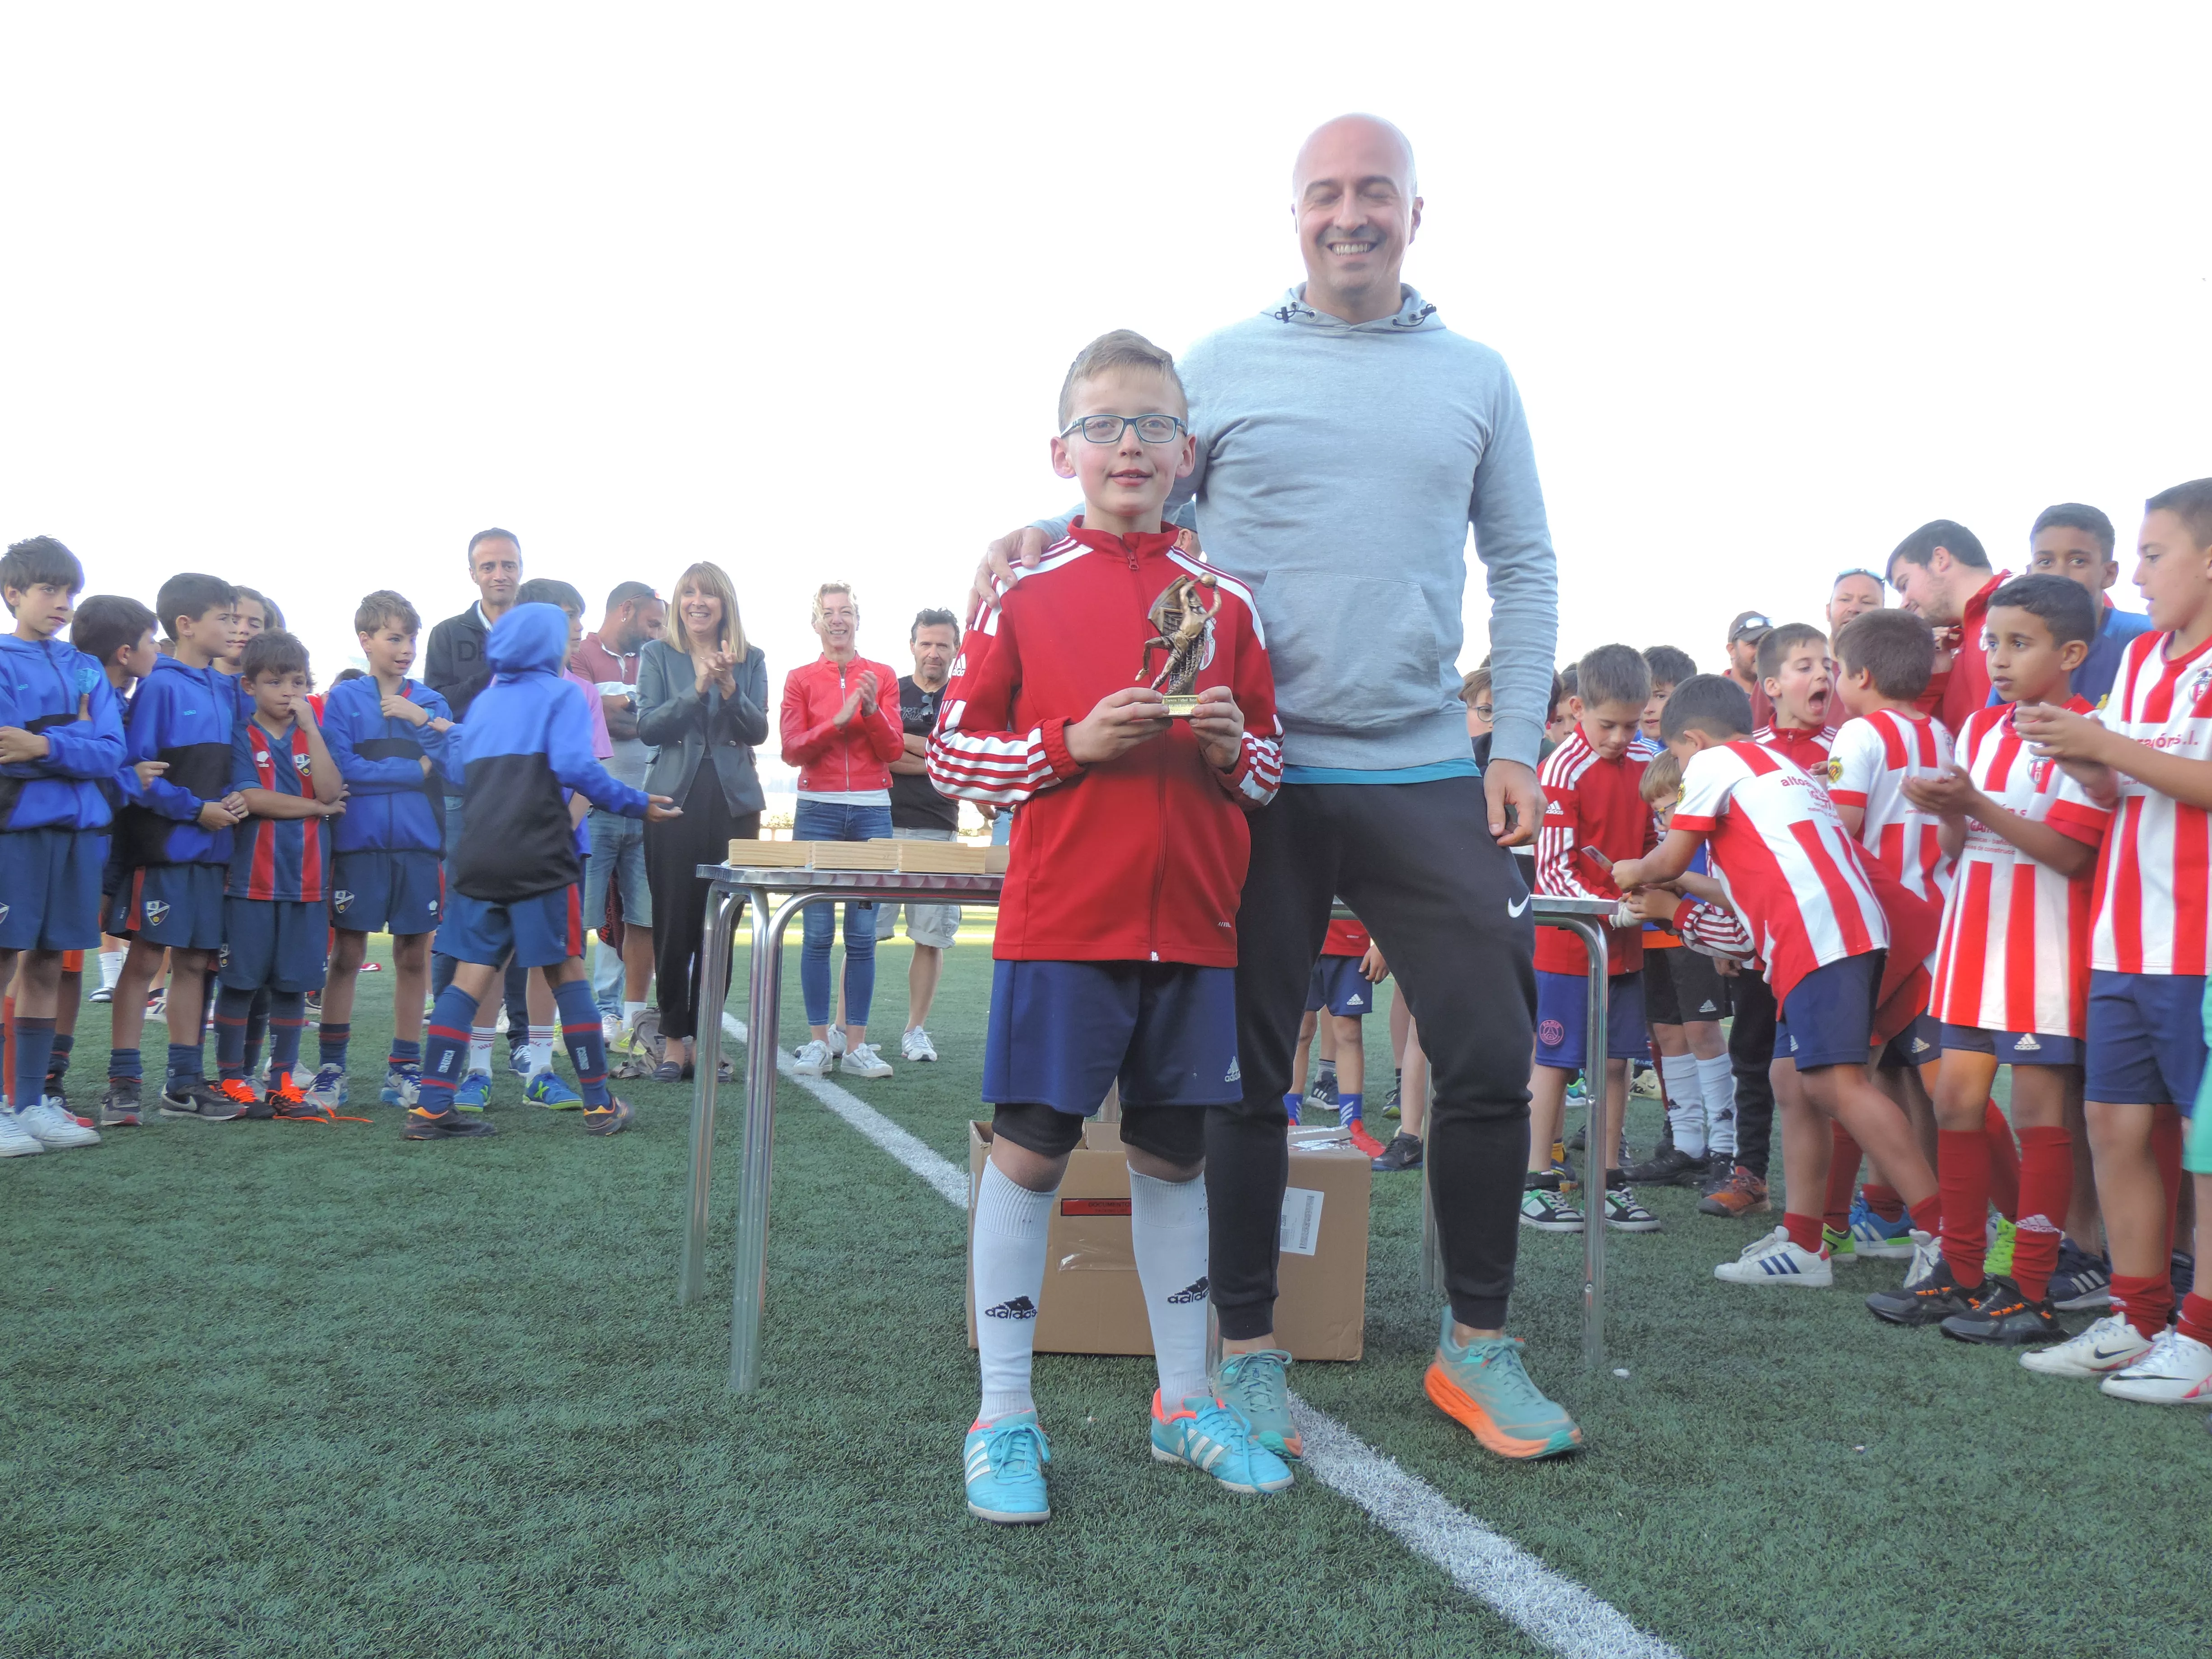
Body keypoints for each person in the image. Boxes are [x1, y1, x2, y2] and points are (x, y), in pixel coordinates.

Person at [976, 115, 1575, 1465]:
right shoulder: (1223, 366)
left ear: (1418, 212)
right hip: (1253, 776)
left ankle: (1478, 1346)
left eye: (1376, 193)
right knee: (1239, 1078)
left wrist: (1520, 745)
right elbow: (1137, 504)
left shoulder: (1477, 375)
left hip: (1425, 762)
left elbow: (1525, 567)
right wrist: (1026, 540)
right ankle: (1242, 1355)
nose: (1349, 214)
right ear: (1294, 213)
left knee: (1484, 1049)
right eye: (1325, 194)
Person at [932, 326, 1287, 1524]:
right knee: (1030, 1151)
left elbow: (1273, 768)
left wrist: (1244, 754)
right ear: (1062, 450)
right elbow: (951, 749)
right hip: (1062, 925)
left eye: (1151, 425)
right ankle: (1003, 1419)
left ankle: (1184, 1405)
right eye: (1103, 425)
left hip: (1194, 930)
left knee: (1176, 1157)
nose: (1128, 444)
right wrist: (1068, 746)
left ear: (1188, 451)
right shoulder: (1022, 591)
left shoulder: (1226, 601)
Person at [1612, 675, 1943, 1289]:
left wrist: (1632, 873)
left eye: (1679, 762)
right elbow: (1740, 921)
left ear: (1692, 740)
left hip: (1819, 935)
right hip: (1826, 933)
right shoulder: (1777, 772)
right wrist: (1673, 907)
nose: (1682, 782)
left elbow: (1668, 862)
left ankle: (1942, 1234)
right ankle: (1804, 1240)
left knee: (1839, 1086)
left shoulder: (1717, 760)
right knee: (1791, 1082)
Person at [2025, 479, 2212, 1401]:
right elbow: (2125, 793)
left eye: (2152, 553)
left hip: (2199, 945)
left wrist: (2106, 745)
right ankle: (2137, 1317)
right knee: (2114, 1122)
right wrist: (2087, 763)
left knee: (2205, 1146)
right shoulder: (2139, 663)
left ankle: (2203, 1336)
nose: (2133, 577)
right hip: (2125, 935)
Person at [1902, 574, 2100, 1345]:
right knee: (1955, 1102)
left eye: (2020, 643)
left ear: (2071, 653)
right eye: (1993, 642)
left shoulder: (2088, 731)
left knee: (2037, 1115)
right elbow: (1960, 846)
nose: (1999, 658)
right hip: (1969, 941)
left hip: (2041, 951)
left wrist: (1976, 805)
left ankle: (2033, 1289)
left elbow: (2071, 854)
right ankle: (1960, 1269)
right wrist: (1946, 810)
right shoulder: (1982, 730)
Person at [411, 603, 675, 1140]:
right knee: (566, 974)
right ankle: (600, 1105)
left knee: (467, 979)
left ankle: (433, 1105)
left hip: (481, 857)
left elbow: (458, 770)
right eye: (566, 637)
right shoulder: (562, 694)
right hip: (539, 856)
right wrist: (638, 802)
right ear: (549, 646)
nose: (571, 644)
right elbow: (579, 769)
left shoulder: (484, 704)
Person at [1526, 645, 1662, 1236]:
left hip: (1625, 945)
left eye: (1631, 725)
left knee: (1617, 1063)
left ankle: (1610, 1181)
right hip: (1569, 944)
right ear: (1578, 708)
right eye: (1608, 724)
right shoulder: (1559, 770)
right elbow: (1551, 870)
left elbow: (1664, 839)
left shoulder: (1649, 761)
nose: (1619, 737)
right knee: (1555, 1061)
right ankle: (1538, 1181)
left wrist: (1651, 887)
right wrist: (1612, 908)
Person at [107, 573, 248, 1122]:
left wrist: (235, 799)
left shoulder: (226, 688)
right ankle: (122, 1082)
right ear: (186, 626)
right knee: (145, 960)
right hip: (166, 851)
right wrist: (196, 809)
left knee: (195, 962)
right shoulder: (161, 687)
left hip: (215, 855)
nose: (235, 628)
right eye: (225, 618)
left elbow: (235, 764)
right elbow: (138, 773)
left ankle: (183, 1085)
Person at [0, 538, 122, 1157]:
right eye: (49, 590)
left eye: (70, 592)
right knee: (2, 961)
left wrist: (46, 744)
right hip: (13, 833)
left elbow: (111, 752)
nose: (63, 603)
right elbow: (3, 755)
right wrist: (73, 740)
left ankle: (28, 1102)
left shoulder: (86, 669)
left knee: (48, 964)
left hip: (77, 836)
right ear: (13, 594)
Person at [317, 590, 454, 1112]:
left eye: (411, 638)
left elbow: (457, 768)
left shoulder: (433, 702)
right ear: (366, 640)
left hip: (420, 849)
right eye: (395, 638)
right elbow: (344, 771)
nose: (407, 648)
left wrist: (422, 723)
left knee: (413, 956)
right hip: (359, 846)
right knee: (348, 954)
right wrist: (414, 770)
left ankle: (404, 1069)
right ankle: (332, 1069)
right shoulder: (346, 701)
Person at [637, 561, 767, 1081]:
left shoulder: (751, 658)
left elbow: (759, 730)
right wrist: (695, 687)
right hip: (673, 802)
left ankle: (708, 1038)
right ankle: (673, 1039)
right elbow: (649, 726)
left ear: (724, 604)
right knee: (674, 922)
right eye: (688, 593)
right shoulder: (657, 654)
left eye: (708, 594)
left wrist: (730, 686)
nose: (697, 602)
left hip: (735, 804)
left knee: (722, 926)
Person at [211, 630, 342, 1118]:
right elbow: (253, 799)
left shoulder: (312, 733)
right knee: (242, 982)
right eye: (275, 682)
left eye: (298, 681)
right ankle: (230, 1080)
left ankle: (283, 1083)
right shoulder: (241, 736)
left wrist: (311, 730)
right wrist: (315, 807)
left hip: (308, 881)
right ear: (249, 687)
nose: (289, 692)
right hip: (251, 880)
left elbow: (333, 790)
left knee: (293, 984)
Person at [779, 581, 903, 1080]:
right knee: (815, 932)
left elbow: (893, 750)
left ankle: (855, 1045)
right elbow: (792, 750)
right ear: (816, 623)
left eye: (846, 611)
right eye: (829, 612)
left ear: (857, 620)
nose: (838, 619)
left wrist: (870, 710)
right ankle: (816, 1043)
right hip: (818, 810)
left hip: (873, 809)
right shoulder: (799, 678)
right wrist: (839, 719)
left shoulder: (884, 676)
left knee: (862, 935)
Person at [425, 528, 530, 1052]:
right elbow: (438, 707)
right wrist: (497, 668)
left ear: (520, 570)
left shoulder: (540, 629)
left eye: (508, 565)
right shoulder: (448, 635)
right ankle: (449, 1026)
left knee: (520, 908)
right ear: (473, 574)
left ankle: (516, 1035)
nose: (499, 575)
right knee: (462, 906)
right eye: (488, 566)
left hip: (524, 792)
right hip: (464, 791)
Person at [1621, 748, 1736, 1189]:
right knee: (1667, 1033)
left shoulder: (1712, 827)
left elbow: (1719, 883)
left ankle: (1725, 1149)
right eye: (1657, 812)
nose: (1662, 820)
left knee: (1704, 1031)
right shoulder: (1666, 827)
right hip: (1655, 928)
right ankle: (1686, 1146)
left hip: (1698, 928)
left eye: (1668, 808)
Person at [64, 595, 159, 1101]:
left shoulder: (129, 699)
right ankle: (44, 1082)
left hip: (124, 844)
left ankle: (111, 1079)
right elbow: (80, 773)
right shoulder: (83, 694)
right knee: (56, 961)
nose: (157, 649)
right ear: (126, 652)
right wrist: (129, 781)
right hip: (89, 841)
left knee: (74, 959)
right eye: (151, 641)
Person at [575, 581, 666, 1039]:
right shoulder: (582, 653)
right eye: (653, 622)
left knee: (643, 917)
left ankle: (632, 1015)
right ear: (626, 610)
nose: (659, 631)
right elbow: (595, 718)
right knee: (582, 918)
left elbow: (659, 721)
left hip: (647, 805)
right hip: (593, 806)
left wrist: (621, 708)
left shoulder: (657, 657)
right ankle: (588, 1012)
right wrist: (637, 712)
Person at [887, 608, 964, 1063]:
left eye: (943, 645)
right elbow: (880, 751)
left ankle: (915, 1030)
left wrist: (912, 745)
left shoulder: (965, 698)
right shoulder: (889, 691)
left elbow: (960, 764)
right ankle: (845, 1028)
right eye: (926, 643)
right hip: (882, 825)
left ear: (956, 650)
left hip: (939, 828)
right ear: (913, 645)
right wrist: (936, 753)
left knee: (930, 937)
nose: (934, 652)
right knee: (863, 935)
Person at [2021, 502, 2154, 708]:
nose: (2059, 576)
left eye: (2078, 561)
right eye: (2046, 562)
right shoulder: (2017, 645)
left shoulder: (2147, 638)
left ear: (2109, 574)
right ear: (2029, 574)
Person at [1885, 519, 2007, 735]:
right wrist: (1936, 681)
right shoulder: (1953, 642)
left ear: (1940, 559)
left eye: (1905, 585)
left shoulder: (2022, 599)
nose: (1903, 603)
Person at [1723, 611, 1774, 731]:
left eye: (1768, 643)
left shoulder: (1782, 692)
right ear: (1732, 650)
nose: (1762, 651)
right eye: (1754, 644)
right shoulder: (1714, 696)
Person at [1825, 568, 1885, 654]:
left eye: (1867, 602)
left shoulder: (1899, 665)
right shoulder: (1805, 661)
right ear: (1828, 611)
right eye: (1845, 600)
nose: (1854, 609)